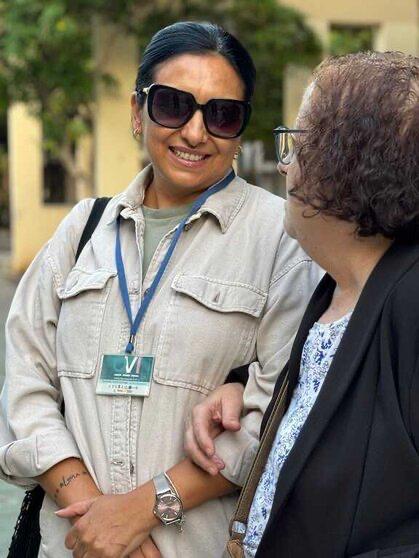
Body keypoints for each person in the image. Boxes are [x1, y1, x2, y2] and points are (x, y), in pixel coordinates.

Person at [0, 21, 321, 558]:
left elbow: (280, 411)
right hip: (69, 545)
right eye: (173, 105)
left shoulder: (282, 238)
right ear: (137, 111)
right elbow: (25, 387)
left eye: (222, 115)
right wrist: (98, 516)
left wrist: (143, 510)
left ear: (241, 130)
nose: (195, 133)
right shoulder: (83, 230)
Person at [186, 51, 419, 557]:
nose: (284, 164)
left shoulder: (411, 302)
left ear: (348, 163)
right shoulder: (335, 287)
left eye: (298, 143)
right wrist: (241, 383)